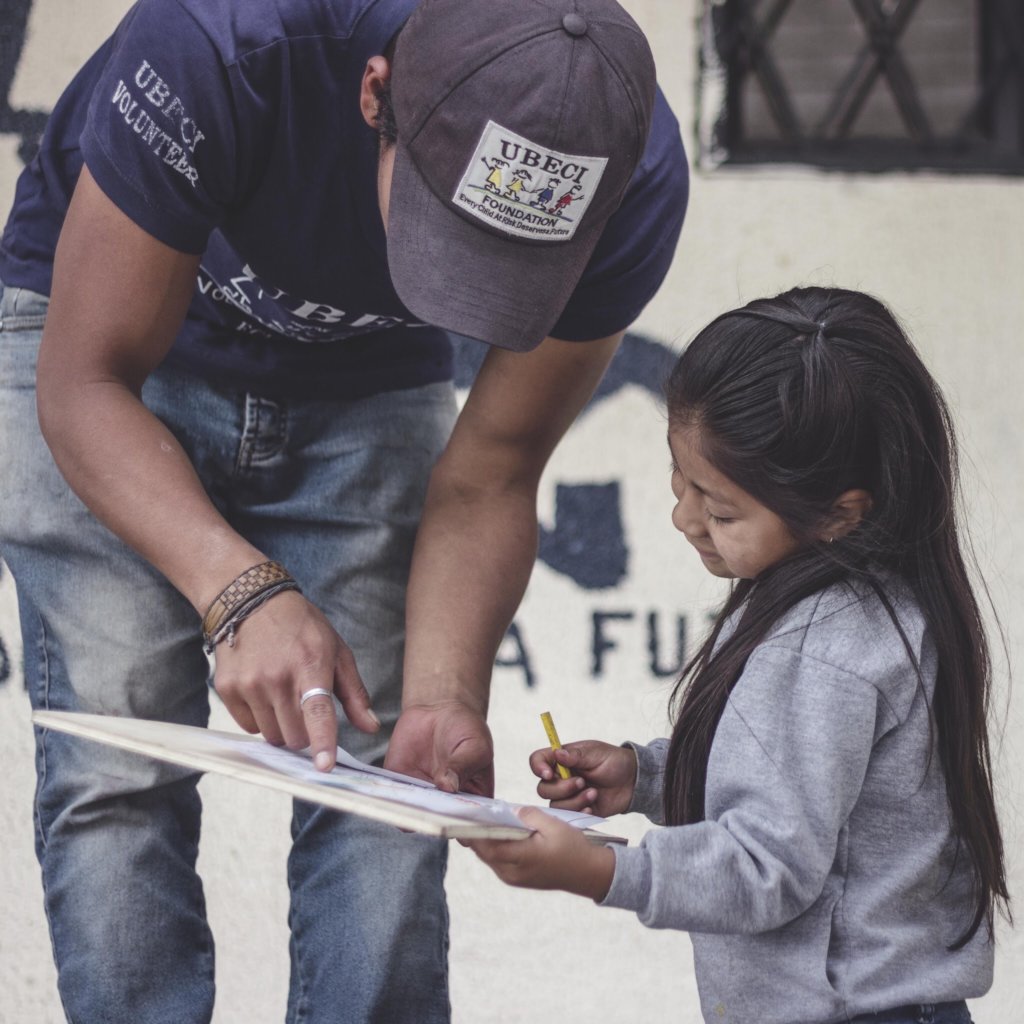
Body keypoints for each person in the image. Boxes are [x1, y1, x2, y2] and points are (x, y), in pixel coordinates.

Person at [0, 0, 688, 1020]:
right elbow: (86, 384)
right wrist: (240, 593)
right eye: (449, 241)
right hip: (106, 342)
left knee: (391, 785)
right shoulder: (227, 39)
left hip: (368, 378)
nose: (466, 299)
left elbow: (492, 469)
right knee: (122, 761)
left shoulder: (629, 178)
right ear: (375, 94)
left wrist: (446, 698)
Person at [467, 287, 1010, 1024]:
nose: (684, 517)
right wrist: (647, 774)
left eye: (720, 509)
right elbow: (792, 788)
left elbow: (767, 866)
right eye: (679, 478)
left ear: (840, 514)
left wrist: (600, 869)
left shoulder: (828, 644)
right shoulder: (840, 600)